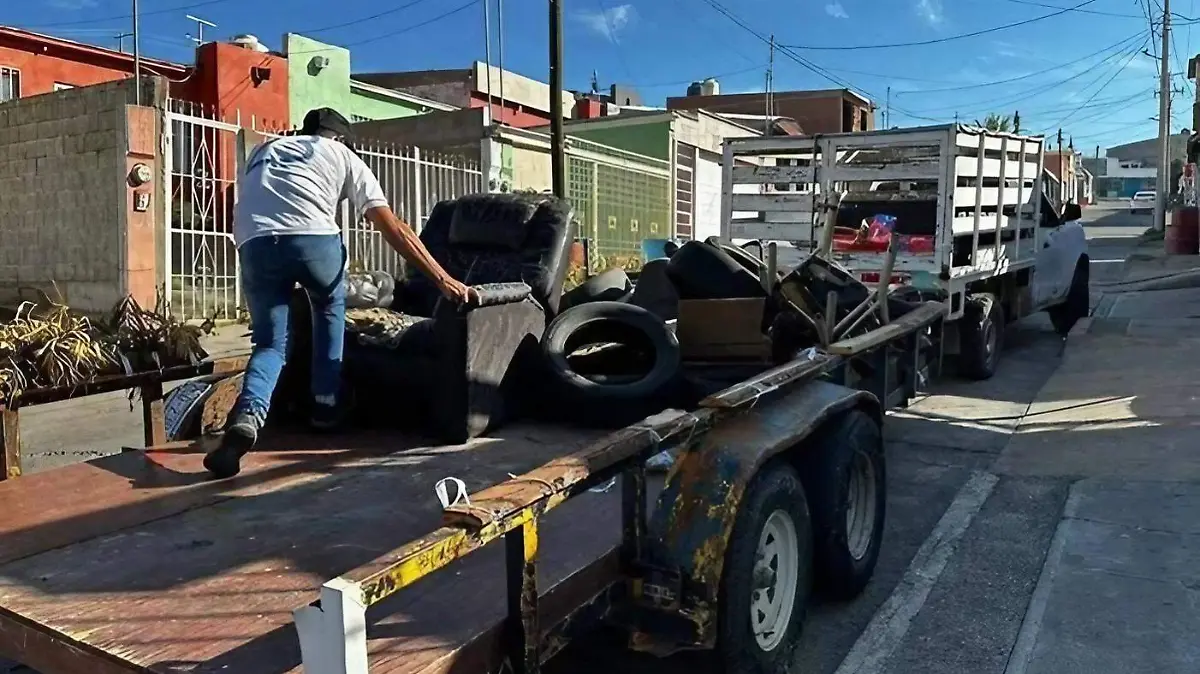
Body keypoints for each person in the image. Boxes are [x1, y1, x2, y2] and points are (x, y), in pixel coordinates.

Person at [203, 108, 476, 479]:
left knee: (269, 345)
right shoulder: (343, 155)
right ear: (341, 139)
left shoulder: (265, 150)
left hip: (255, 241)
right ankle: (326, 406)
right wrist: (443, 280)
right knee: (329, 308)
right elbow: (393, 228)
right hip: (313, 239)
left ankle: (248, 417)